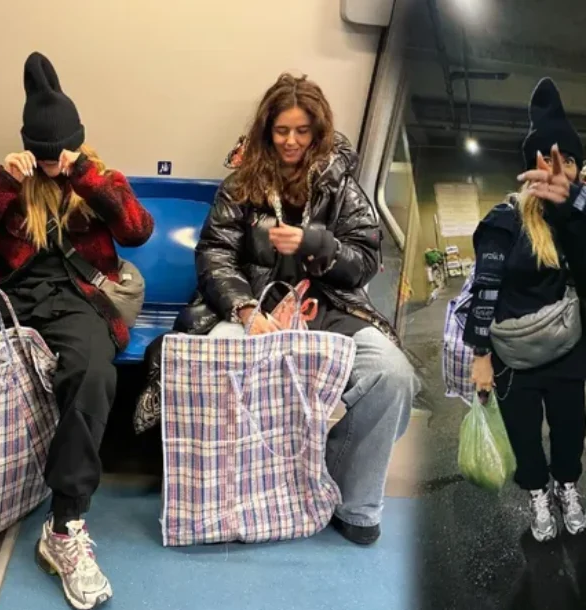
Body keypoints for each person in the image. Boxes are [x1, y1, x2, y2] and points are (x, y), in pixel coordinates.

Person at [0, 52, 153, 610]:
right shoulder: (14, 181)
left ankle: (65, 526)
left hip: (77, 298)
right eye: (44, 155)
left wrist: (83, 176)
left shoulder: (98, 178)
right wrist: (1, 183)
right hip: (14, 295)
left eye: (59, 153)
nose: (51, 164)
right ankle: (5, 474)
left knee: (91, 375)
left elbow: (137, 230)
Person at [140, 73, 418, 545]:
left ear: (318, 132)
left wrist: (318, 244)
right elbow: (214, 256)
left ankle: (353, 500)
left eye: (302, 131)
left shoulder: (342, 189)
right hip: (252, 307)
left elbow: (365, 260)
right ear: (267, 131)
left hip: (325, 306)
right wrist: (245, 309)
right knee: (220, 363)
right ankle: (222, 499)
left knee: (392, 375)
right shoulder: (241, 186)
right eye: (282, 130)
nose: (291, 141)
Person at [465, 78, 586, 542]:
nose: (558, 167)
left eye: (569, 159)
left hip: (567, 351)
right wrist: (480, 355)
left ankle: (567, 486)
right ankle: (538, 493)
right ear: (530, 167)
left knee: (571, 430)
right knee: (524, 434)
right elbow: (485, 287)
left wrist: (573, 208)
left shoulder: (578, 219)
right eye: (548, 158)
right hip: (513, 357)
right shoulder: (504, 220)